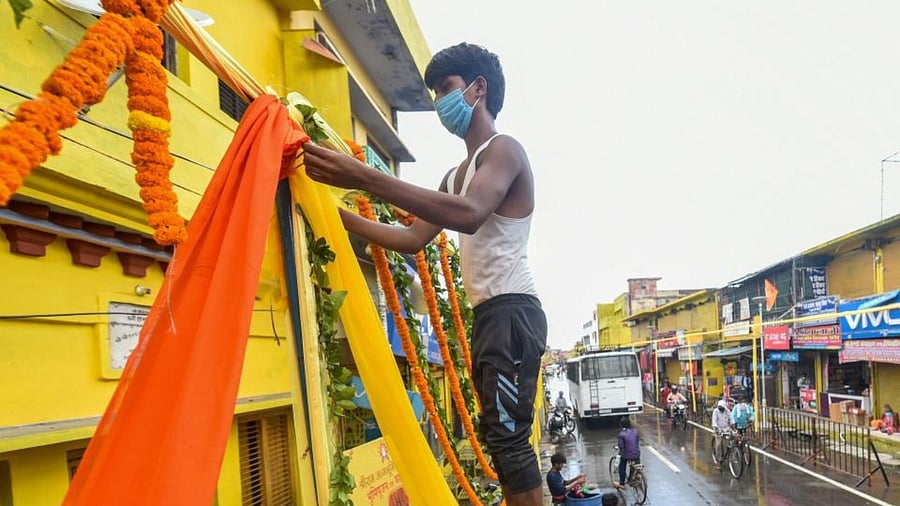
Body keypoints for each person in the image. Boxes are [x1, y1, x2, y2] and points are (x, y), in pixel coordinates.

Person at [303, 43, 547, 505]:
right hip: (491, 314)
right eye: (435, 94)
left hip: (513, 310)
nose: (440, 103)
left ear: (479, 89)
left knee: (510, 440)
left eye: (447, 89)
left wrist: (366, 177)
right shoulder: (454, 177)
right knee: (499, 436)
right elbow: (413, 238)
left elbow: (472, 214)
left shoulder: (505, 151)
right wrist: (333, 216)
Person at [614, 417, 640, 490]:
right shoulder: (635, 431)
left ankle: (621, 483)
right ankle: (632, 478)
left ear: (621, 425)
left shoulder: (621, 434)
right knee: (635, 464)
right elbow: (636, 442)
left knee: (622, 466)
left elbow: (621, 446)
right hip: (636, 453)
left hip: (627, 454)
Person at [711, 399, 732, 469]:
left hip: (726, 428)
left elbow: (731, 420)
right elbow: (714, 421)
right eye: (720, 408)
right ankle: (718, 462)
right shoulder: (715, 411)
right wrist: (716, 429)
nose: (721, 409)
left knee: (729, 442)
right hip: (718, 429)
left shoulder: (727, 411)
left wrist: (734, 428)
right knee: (718, 445)